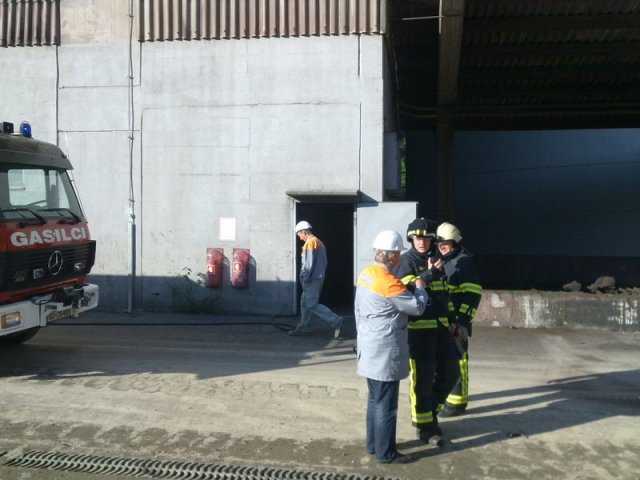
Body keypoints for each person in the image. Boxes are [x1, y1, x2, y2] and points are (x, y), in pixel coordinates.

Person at [355, 230, 428, 464]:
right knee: (386, 405)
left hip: (368, 346)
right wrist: (420, 286)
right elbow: (416, 307)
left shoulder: (366, 274)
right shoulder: (389, 283)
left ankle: (373, 445)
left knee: (375, 400)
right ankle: (386, 454)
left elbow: (358, 309)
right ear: (394, 256)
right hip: (385, 351)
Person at [394, 218, 460, 446]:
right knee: (422, 382)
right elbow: (404, 291)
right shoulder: (406, 261)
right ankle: (424, 428)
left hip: (441, 329)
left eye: (426, 238)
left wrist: (453, 321)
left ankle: (430, 414)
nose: (421, 242)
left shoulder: (437, 259)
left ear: (433, 240)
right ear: (411, 239)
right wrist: (428, 274)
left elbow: (444, 295)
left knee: (451, 372)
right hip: (418, 332)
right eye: (417, 238)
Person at [436, 222, 483, 417]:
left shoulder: (464, 262)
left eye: (445, 243)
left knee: (458, 361)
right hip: (446, 322)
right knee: (447, 362)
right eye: (439, 244)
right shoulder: (446, 260)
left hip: (457, 324)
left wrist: (462, 323)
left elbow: (473, 295)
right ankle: (451, 397)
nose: (442, 247)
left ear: (454, 243)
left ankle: (456, 404)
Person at [289, 220, 344, 338]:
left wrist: (304, 278)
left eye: (299, 235)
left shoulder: (310, 243)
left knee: (311, 304)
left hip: (311, 279)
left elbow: (308, 265)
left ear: (304, 232)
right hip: (316, 277)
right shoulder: (318, 242)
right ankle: (303, 328)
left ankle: (336, 321)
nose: (300, 238)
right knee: (304, 303)